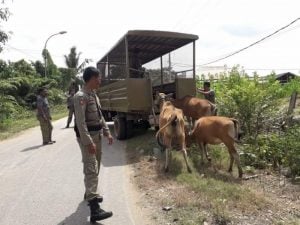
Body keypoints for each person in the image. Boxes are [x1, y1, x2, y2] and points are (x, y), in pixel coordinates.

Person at [73, 66, 113, 223]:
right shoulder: (80, 96)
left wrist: (107, 132)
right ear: (91, 78)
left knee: (95, 166)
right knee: (91, 168)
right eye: (99, 78)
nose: (100, 80)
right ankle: (95, 210)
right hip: (87, 138)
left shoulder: (94, 95)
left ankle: (90, 193)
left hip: (97, 135)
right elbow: (81, 122)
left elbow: (100, 115)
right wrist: (88, 142)